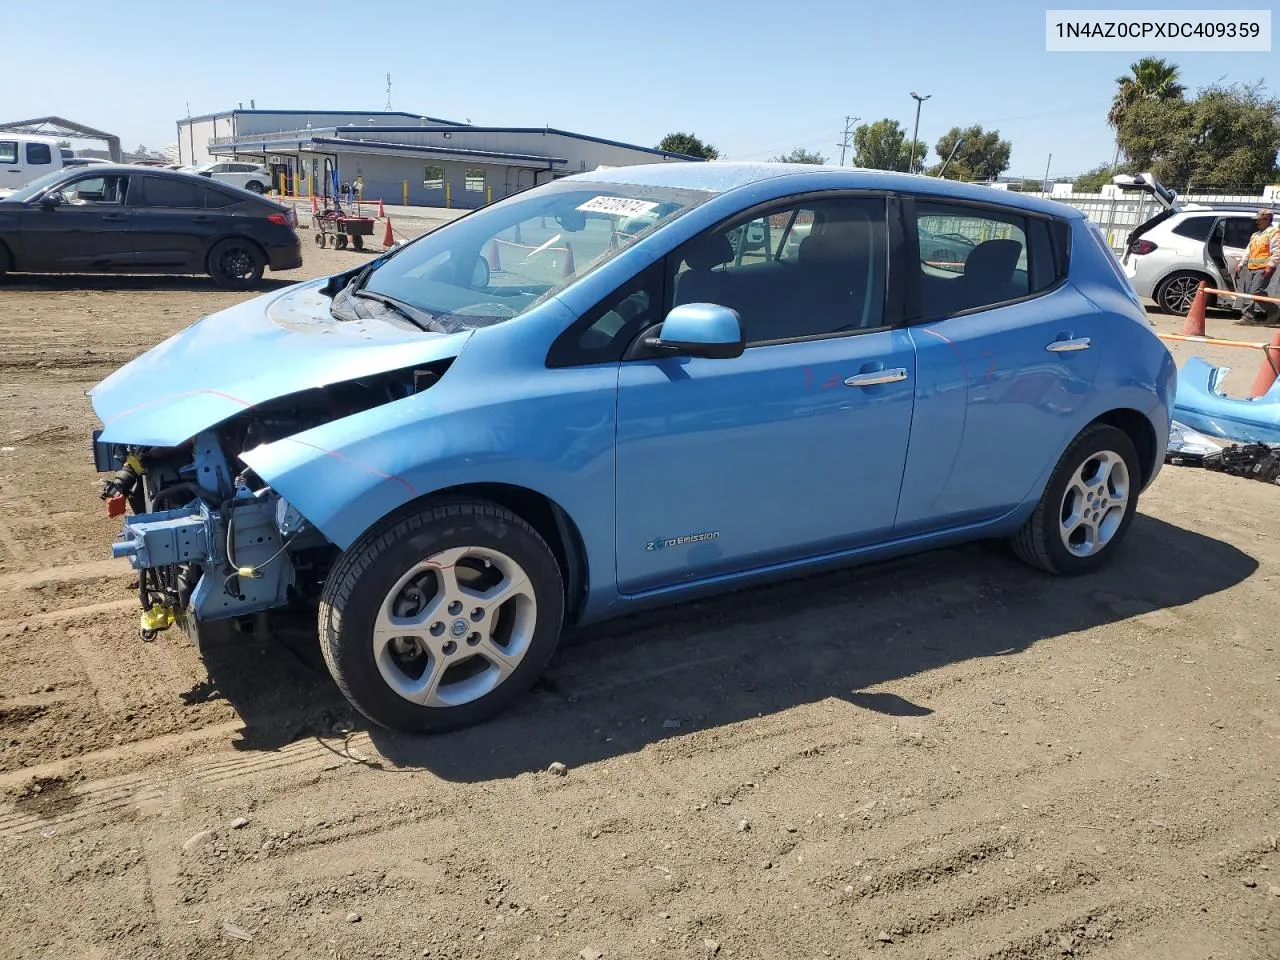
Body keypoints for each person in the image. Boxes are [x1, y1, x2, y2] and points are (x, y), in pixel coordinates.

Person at [1236, 208, 1279, 325]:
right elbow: (1248, 251)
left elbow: (1277, 252)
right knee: (1247, 292)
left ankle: (1274, 312)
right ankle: (1247, 317)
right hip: (1251, 267)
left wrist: (1270, 266)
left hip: (1264, 268)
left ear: (1267, 220)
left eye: (1259, 220)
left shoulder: (1273, 233)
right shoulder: (1255, 235)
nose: (1257, 222)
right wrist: (1241, 264)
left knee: (1256, 292)